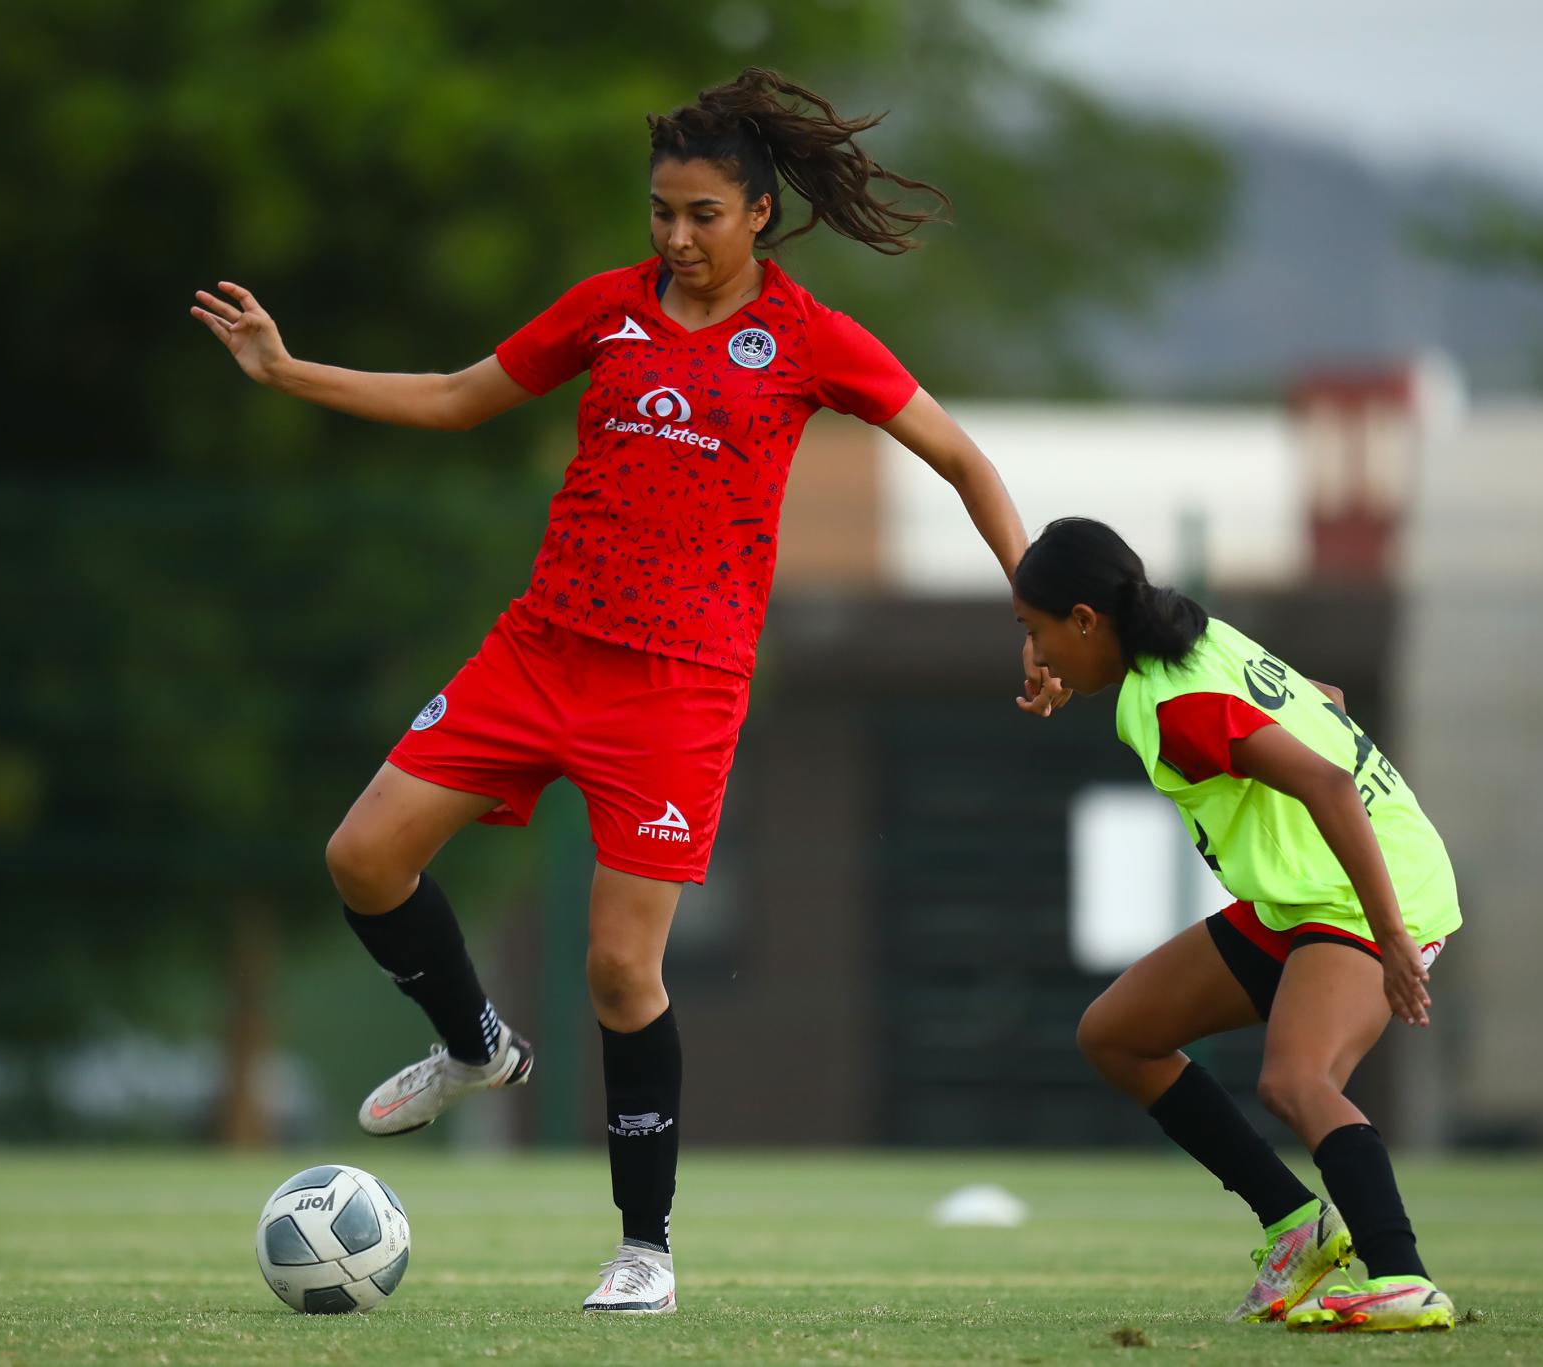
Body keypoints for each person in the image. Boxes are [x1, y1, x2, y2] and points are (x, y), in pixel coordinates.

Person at [191, 68, 1066, 1315]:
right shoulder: (607, 310)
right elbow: (457, 397)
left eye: (701, 214)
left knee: (616, 968)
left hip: (678, 689)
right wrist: (288, 373)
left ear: (758, 214)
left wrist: (1028, 611)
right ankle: (474, 1046)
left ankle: (643, 1248)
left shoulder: (810, 340)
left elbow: (961, 458)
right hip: (539, 647)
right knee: (362, 856)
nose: (674, 237)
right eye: (660, 211)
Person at [1010, 516, 1459, 1333]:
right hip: (1302, 892)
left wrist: (1393, 935)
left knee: (1296, 1079)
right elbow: (1328, 701)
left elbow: (1327, 783)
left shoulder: (1175, 706)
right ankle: (1297, 1224)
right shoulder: (1192, 638)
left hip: (1372, 890)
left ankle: (1402, 1274)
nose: (1035, 655)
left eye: (1036, 632)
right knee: (1117, 1033)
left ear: (1085, 619)